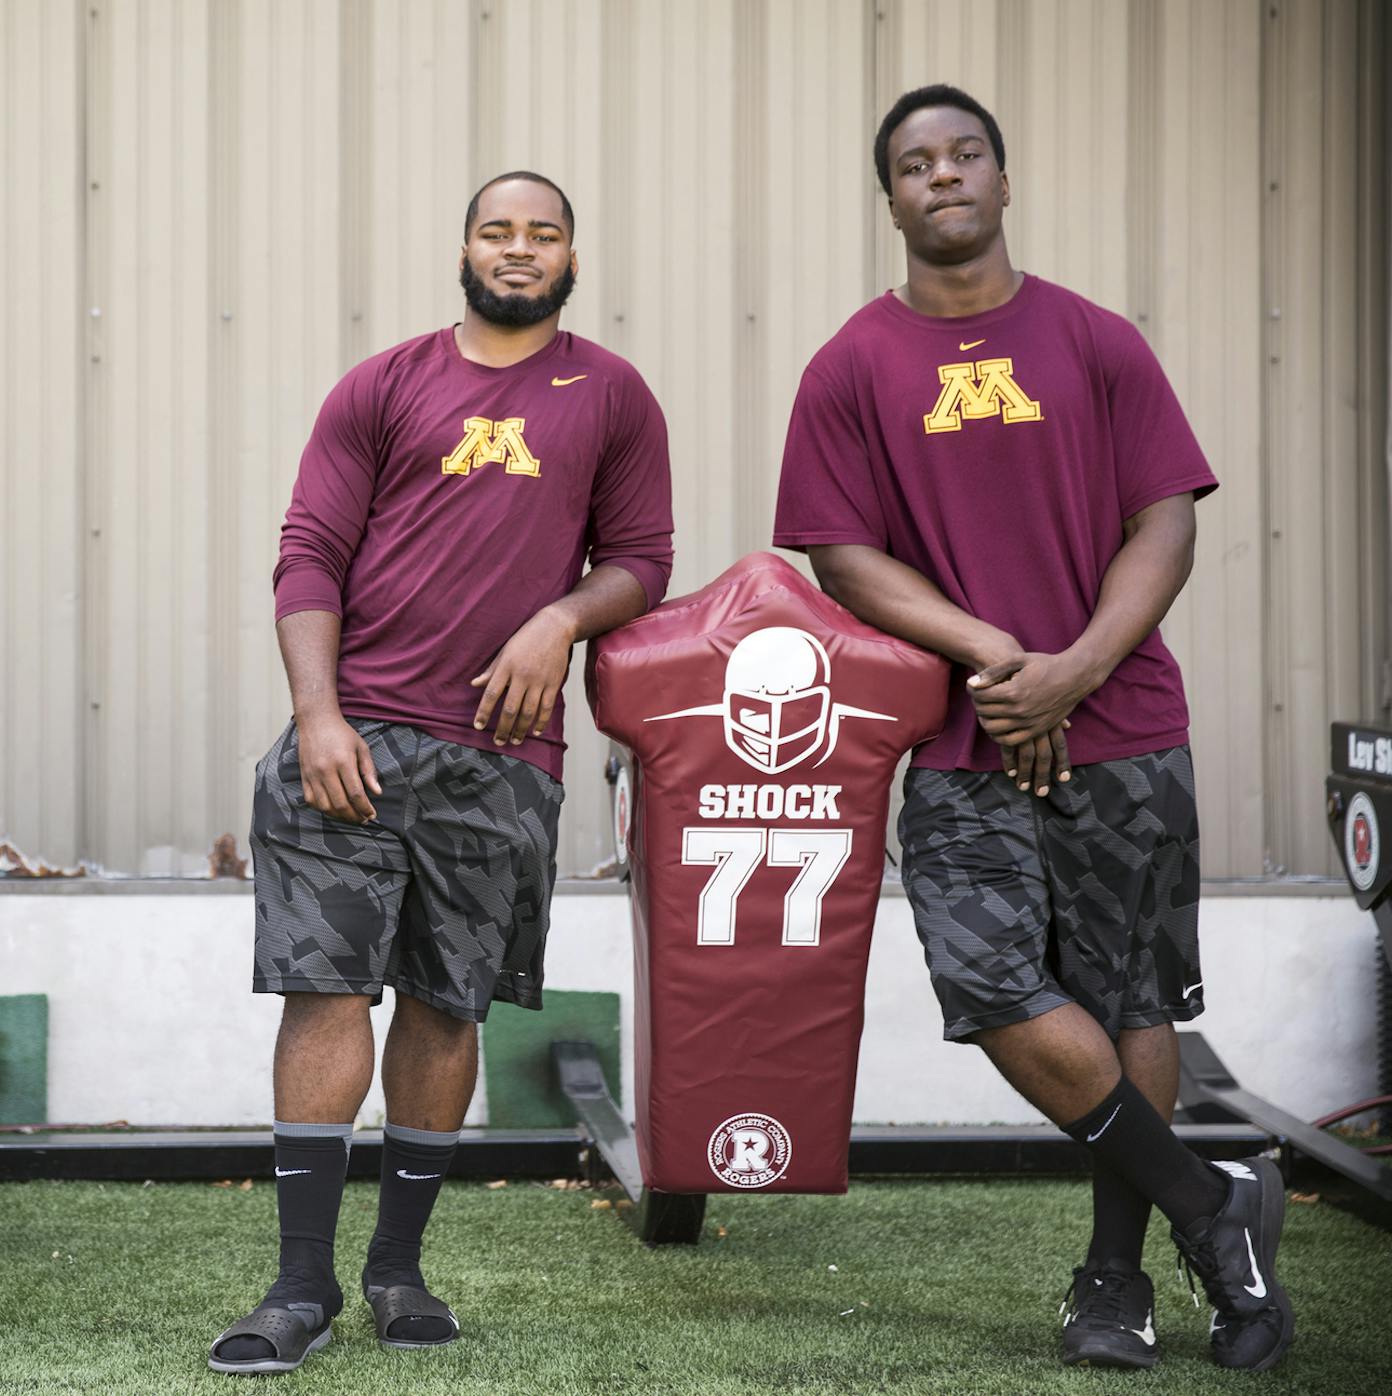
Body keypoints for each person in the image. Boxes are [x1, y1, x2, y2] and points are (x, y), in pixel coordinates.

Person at [773, 85, 1292, 1373]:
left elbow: (1163, 518)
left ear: (1004, 183)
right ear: (888, 197)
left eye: (965, 156)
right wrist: (1001, 659)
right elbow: (841, 553)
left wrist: (1077, 668)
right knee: (997, 989)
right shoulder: (852, 364)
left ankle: (1117, 1281)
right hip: (958, 744)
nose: (942, 176)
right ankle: (1214, 1205)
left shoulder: (1095, 342)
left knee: (1129, 997)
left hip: (1121, 726)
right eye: (914, 163)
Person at [209, 172, 676, 1374]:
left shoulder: (613, 396)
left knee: (445, 1003)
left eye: (544, 233)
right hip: (353, 741)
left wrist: (560, 620)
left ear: (573, 254)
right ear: (463, 246)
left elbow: (641, 558)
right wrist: (316, 712)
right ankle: (301, 1283)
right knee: (325, 992)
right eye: (496, 231)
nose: (518, 250)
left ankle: (398, 1269)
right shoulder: (384, 385)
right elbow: (308, 552)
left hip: (501, 759)